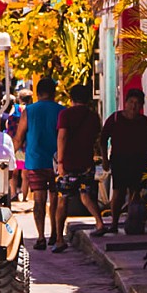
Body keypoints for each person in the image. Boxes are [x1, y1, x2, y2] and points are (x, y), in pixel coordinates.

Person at [52, 85, 106, 252]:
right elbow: (97, 137)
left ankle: (60, 239)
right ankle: (99, 222)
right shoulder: (93, 116)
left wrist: (60, 162)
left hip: (68, 164)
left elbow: (62, 136)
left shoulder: (66, 115)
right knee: (85, 195)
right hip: (86, 163)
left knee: (63, 199)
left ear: (72, 99)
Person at [14, 78, 65, 251]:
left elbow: (19, 136)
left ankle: (41, 237)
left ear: (37, 93)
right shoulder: (61, 111)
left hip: (35, 160)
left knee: (39, 199)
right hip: (58, 162)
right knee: (56, 198)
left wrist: (9, 156)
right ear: (54, 92)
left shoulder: (29, 110)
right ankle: (57, 236)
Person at [97, 88, 147, 236]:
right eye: (131, 102)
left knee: (135, 193)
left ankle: (132, 223)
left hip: (139, 161)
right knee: (118, 192)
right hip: (120, 160)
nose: (133, 106)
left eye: (137, 103)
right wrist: (104, 159)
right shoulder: (115, 118)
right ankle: (114, 223)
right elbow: (103, 140)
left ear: (141, 105)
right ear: (126, 103)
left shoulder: (144, 122)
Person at [6, 89, 33, 201]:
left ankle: (13, 194)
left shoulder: (15, 108)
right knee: (25, 175)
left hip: (15, 144)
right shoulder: (32, 110)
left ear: (19, 99)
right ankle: (25, 197)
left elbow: (8, 124)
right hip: (28, 145)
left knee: (14, 172)